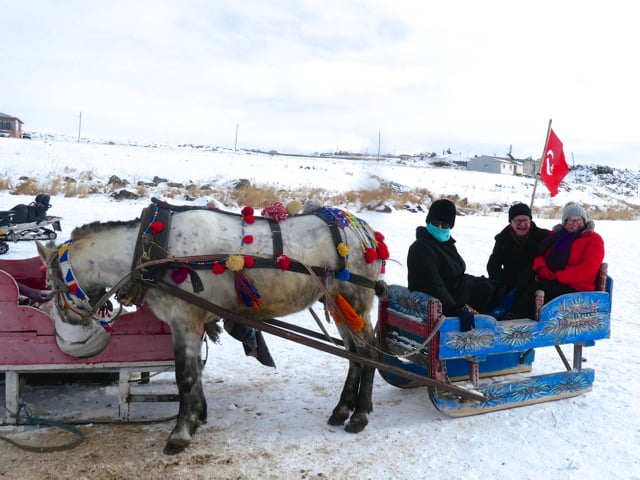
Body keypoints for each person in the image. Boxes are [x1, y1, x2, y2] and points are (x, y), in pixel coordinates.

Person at [407, 199, 498, 331]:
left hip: (453, 292)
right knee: (486, 290)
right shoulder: (421, 247)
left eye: (444, 225)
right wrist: (455, 309)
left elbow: (456, 271)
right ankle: (486, 328)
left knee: (493, 286)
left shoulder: (446, 244)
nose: (439, 228)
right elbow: (433, 284)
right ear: (428, 221)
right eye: (436, 223)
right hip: (439, 301)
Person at [508, 202, 605, 319]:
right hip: (555, 281)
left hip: (577, 288)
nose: (574, 224)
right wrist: (542, 269)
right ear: (564, 223)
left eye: (578, 220)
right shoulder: (557, 237)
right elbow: (540, 255)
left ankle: (519, 321)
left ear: (584, 221)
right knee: (525, 279)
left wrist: (558, 276)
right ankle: (509, 314)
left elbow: (588, 268)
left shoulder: (593, 239)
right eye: (570, 220)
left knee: (537, 288)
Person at [487, 202, 550, 292]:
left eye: (525, 220)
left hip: (535, 284)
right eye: (517, 221)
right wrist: (500, 284)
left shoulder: (544, 236)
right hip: (509, 282)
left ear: (530, 221)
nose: (522, 224)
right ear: (511, 223)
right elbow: (493, 264)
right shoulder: (502, 238)